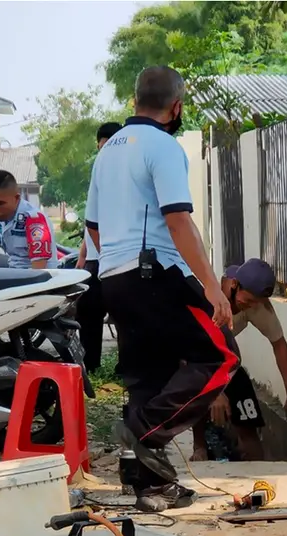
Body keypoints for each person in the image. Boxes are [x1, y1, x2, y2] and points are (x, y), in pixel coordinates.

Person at [85, 65, 237, 513]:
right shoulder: (163, 146)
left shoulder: (107, 151)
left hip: (113, 276)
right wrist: (212, 287)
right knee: (221, 355)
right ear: (177, 107)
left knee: (148, 377)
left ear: (134, 102)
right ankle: (148, 431)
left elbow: (93, 227)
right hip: (152, 272)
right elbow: (178, 219)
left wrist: (117, 262)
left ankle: (150, 487)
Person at [190, 259, 287, 462]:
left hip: (228, 362)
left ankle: (251, 456)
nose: (249, 307)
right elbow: (192, 351)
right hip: (198, 360)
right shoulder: (209, 299)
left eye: (255, 303)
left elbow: (279, 345)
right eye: (246, 302)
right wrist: (215, 392)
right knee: (198, 395)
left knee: (248, 417)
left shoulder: (257, 305)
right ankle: (199, 446)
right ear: (234, 285)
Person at [76, 121, 122, 372]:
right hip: (97, 260)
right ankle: (89, 365)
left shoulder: (125, 174)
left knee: (125, 316)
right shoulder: (98, 172)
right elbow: (89, 222)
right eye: (101, 146)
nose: (105, 151)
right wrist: (82, 258)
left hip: (117, 258)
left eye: (110, 146)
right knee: (87, 314)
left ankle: (126, 365)